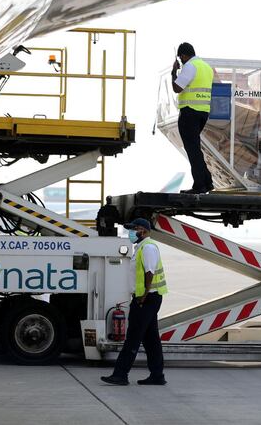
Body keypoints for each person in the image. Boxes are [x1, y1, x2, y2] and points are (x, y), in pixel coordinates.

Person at [101, 218, 168, 386]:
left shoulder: (148, 248)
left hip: (146, 298)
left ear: (143, 230)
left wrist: (143, 295)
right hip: (148, 298)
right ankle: (157, 375)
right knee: (151, 338)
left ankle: (120, 374)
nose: (131, 232)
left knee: (133, 337)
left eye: (134, 229)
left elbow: (149, 273)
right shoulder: (141, 247)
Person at [172, 42, 214, 194]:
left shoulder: (190, 66)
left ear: (183, 55)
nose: (181, 61)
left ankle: (199, 186)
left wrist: (174, 72)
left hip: (190, 112)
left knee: (192, 150)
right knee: (195, 149)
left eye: (181, 58)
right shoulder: (206, 67)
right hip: (203, 112)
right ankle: (207, 182)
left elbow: (177, 88)